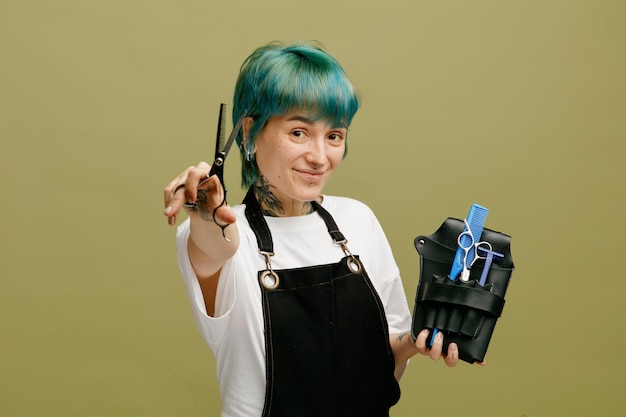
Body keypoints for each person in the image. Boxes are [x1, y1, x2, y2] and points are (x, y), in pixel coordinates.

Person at [163, 42, 461, 417]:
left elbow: (383, 357)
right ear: (250, 132)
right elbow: (214, 244)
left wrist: (416, 342)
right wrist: (205, 211)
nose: (320, 157)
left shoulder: (358, 220)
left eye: (334, 135)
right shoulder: (224, 233)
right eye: (299, 133)